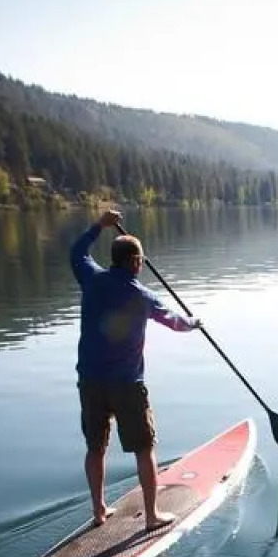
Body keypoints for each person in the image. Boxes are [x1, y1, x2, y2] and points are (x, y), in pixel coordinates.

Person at [69, 209, 202, 530]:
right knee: (144, 448)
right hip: (126, 385)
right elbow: (176, 323)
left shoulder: (91, 278)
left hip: (89, 381)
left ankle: (99, 510)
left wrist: (98, 226)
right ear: (134, 262)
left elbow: (76, 252)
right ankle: (152, 517)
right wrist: (194, 322)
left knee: (95, 448)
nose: (141, 265)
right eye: (140, 261)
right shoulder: (143, 296)